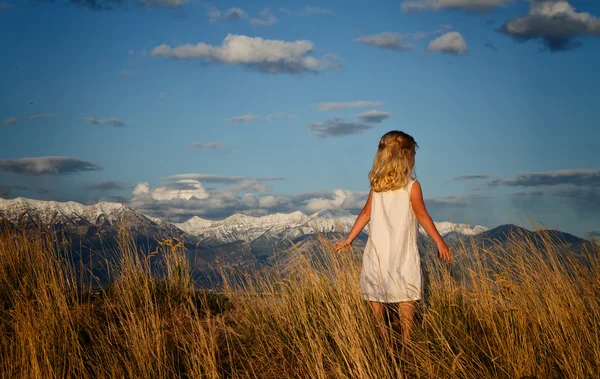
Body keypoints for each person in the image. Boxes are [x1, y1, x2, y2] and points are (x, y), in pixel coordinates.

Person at [334, 130, 452, 342]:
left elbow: (365, 214)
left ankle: (382, 337)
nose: (415, 159)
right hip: (402, 249)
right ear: (406, 156)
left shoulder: (377, 186)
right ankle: (407, 341)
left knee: (375, 295)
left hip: (377, 250)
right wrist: (439, 241)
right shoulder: (412, 186)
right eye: (414, 154)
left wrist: (349, 239)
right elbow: (422, 215)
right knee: (406, 296)